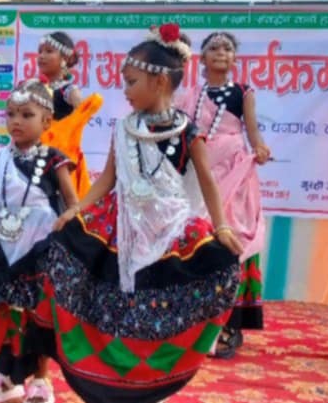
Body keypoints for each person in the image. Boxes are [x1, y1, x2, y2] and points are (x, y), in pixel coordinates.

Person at [40, 23, 243, 403]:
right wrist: (77, 209)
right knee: (73, 262)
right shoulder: (124, 128)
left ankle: (157, 379)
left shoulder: (188, 132)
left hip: (171, 229)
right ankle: (108, 378)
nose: (125, 91)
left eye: (131, 82)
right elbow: (107, 180)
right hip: (122, 227)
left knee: (202, 279)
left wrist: (222, 227)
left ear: (160, 82)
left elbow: (209, 184)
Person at [0, 80, 79, 403]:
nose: (16, 122)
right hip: (1, 249)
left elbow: (73, 202)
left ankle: (41, 379)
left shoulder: (54, 160)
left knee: (37, 317)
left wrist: (68, 224)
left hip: (39, 252)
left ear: (47, 122)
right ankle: (5, 374)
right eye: (10, 115)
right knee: (1, 313)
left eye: (26, 115)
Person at [174, 31, 269, 359]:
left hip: (231, 169)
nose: (221, 52)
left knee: (230, 238)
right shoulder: (189, 95)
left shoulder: (243, 92)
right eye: (214, 47)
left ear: (234, 58)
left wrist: (259, 148)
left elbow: (252, 131)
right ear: (201, 57)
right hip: (196, 169)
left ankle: (229, 320)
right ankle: (189, 318)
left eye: (228, 48)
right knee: (192, 235)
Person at [33, 32, 103, 197]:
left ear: (64, 59)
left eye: (49, 51)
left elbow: (82, 110)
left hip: (59, 159)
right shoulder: (35, 88)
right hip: (34, 152)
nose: (41, 56)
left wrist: (65, 130)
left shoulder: (68, 90)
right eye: (40, 51)